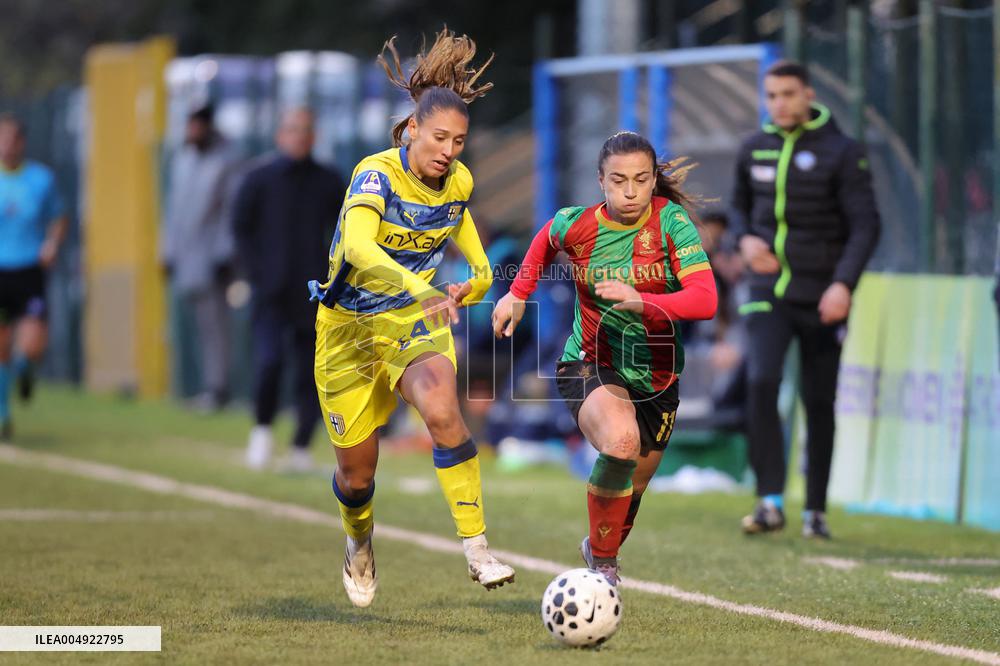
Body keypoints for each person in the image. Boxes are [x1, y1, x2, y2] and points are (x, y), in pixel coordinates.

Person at [308, 29, 515, 607]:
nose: (449, 150)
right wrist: (422, 285)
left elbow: (478, 269)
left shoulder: (459, 184)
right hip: (345, 331)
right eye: (440, 137)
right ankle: (359, 538)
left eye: (460, 140)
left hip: (407, 321)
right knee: (358, 475)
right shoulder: (374, 175)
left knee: (445, 410)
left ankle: (477, 549)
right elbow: (358, 249)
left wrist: (468, 289)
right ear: (413, 130)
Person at [493, 131, 718, 584]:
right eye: (618, 180)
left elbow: (706, 299)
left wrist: (645, 302)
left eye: (640, 179)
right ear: (601, 181)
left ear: (654, 180)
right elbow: (543, 241)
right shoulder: (578, 225)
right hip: (590, 363)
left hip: (658, 376)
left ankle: (599, 547)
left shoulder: (671, 224)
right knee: (620, 444)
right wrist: (518, 293)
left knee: (633, 483)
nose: (630, 191)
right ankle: (604, 567)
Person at [729, 61, 881, 539]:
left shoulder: (843, 152)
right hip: (765, 293)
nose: (779, 104)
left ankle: (816, 509)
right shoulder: (753, 148)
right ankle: (769, 500)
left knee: (819, 400)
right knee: (761, 382)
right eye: (771, 95)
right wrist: (745, 242)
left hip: (822, 297)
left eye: (788, 94)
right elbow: (736, 211)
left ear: (808, 94)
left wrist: (843, 286)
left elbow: (866, 226)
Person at [233, 107, 345, 471]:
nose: (299, 136)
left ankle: (301, 446)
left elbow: (347, 230)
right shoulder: (259, 179)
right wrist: (255, 273)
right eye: (292, 130)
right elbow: (240, 227)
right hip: (270, 291)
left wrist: (336, 278)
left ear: (314, 137)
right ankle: (262, 432)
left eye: (305, 130)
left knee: (311, 370)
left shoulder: (329, 181)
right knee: (269, 361)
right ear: (280, 135)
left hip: (315, 294)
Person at [161, 104, 240, 411]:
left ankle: (218, 388)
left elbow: (232, 209)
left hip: (214, 259)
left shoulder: (227, 160)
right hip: (186, 257)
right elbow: (173, 209)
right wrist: (167, 250)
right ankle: (206, 385)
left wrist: (225, 251)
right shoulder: (183, 158)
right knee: (197, 326)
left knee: (216, 326)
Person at [0, 114, 68, 440]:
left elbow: (58, 217)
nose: (6, 145)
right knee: (0, 346)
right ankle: (2, 415)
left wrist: (52, 244)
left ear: (22, 143)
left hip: (29, 271)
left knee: (31, 346)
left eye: (12, 139)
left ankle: (25, 373)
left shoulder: (41, 179)